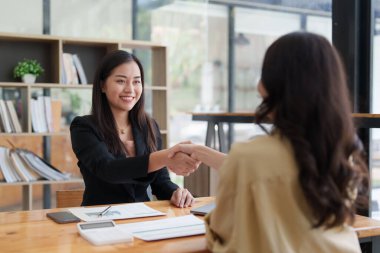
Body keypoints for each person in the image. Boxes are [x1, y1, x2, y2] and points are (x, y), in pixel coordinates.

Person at [169, 32, 368, 252]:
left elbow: (223, 230)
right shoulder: (340, 153)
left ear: (266, 86)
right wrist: (201, 152)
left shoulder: (249, 157)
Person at [70, 50, 198, 208]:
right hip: (100, 219)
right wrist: (166, 156)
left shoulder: (150, 126)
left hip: (142, 218)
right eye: (121, 81)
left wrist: (176, 192)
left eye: (136, 82)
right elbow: (109, 169)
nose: (130, 89)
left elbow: (160, 181)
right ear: (103, 85)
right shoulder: (83, 127)